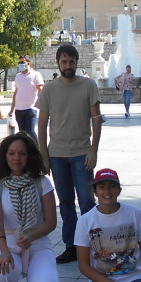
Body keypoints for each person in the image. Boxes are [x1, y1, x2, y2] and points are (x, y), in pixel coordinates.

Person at [37, 43, 102, 264]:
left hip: (82, 153)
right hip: (57, 155)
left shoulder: (89, 85)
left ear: (76, 63)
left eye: (71, 62)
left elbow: (96, 119)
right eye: (64, 61)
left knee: (86, 201)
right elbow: (42, 124)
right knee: (65, 202)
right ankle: (71, 246)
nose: (68, 65)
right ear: (58, 63)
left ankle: (92, 245)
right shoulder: (49, 89)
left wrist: (93, 150)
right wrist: (43, 156)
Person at [0, 132, 58, 282]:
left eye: (22, 153)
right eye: (11, 153)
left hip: (37, 241)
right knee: (2, 268)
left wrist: (31, 236)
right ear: (5, 156)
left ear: (30, 156)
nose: (16, 158)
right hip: (8, 240)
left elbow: (51, 222)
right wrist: (3, 250)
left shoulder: (42, 182)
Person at [7, 55, 44, 137]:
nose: (20, 64)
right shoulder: (18, 76)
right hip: (19, 109)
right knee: (22, 133)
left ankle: (37, 148)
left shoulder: (35, 75)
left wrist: (41, 104)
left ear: (29, 63)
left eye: (22, 62)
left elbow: (41, 90)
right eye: (19, 62)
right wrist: (11, 109)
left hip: (30, 108)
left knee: (30, 131)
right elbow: (16, 93)